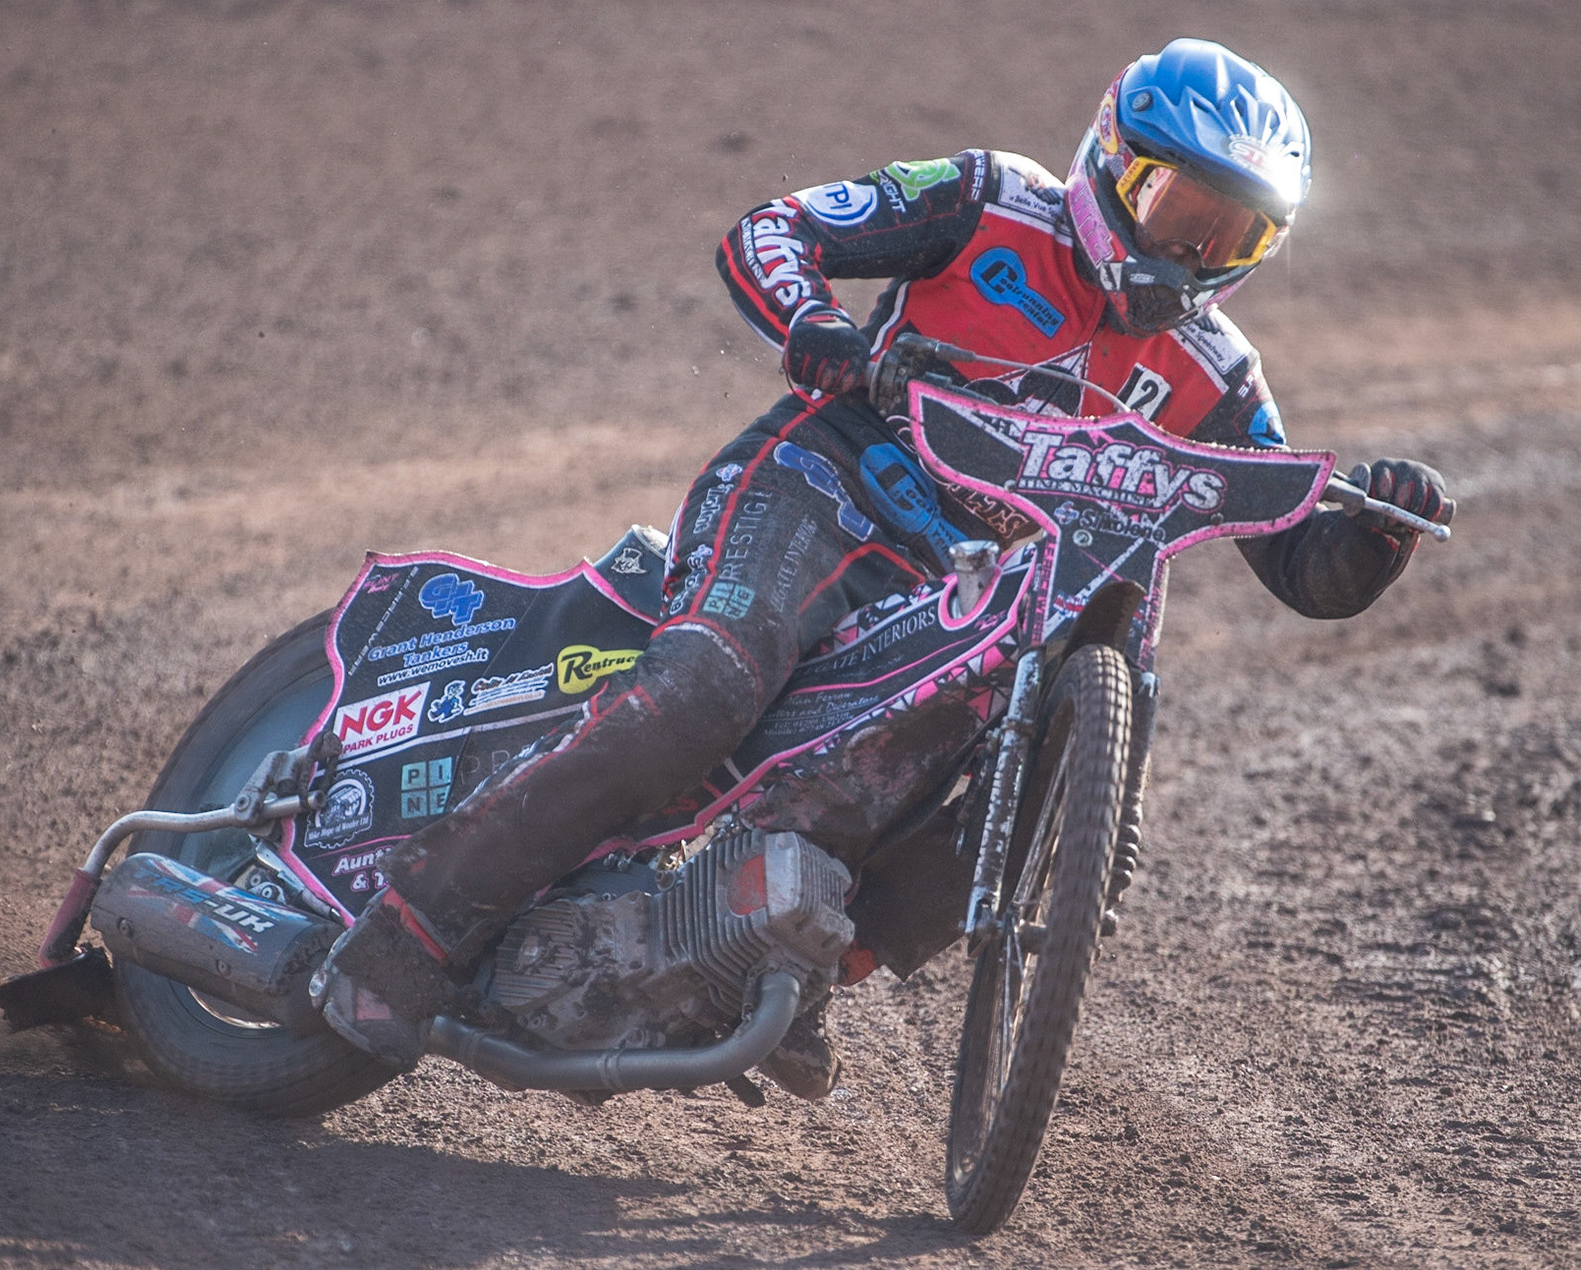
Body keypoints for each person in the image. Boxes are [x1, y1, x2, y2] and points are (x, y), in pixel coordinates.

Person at [312, 38, 1454, 1095]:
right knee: (705, 688)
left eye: (1230, 236)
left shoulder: (1217, 369)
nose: (1190, 252)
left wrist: (1376, 528)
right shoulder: (989, 202)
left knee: (1011, 820)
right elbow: (770, 228)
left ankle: (783, 967)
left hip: (969, 595)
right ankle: (411, 928)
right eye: (1174, 206)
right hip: (829, 486)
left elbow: (1305, 564)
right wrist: (814, 323)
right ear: (1110, 160)